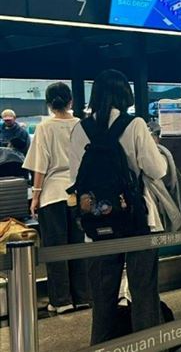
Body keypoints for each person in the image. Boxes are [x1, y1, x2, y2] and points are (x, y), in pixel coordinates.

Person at [68, 69, 167, 344]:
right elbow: (157, 170)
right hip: (136, 220)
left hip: (96, 223)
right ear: (125, 94)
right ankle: (147, 347)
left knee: (102, 298)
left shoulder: (80, 129)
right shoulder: (134, 125)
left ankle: (102, 347)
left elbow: (75, 177)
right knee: (144, 292)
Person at [23, 83, 90, 314]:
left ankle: (61, 301)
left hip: (52, 194)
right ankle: (83, 296)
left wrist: (35, 196)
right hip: (78, 193)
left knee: (56, 248)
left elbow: (40, 165)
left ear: (49, 104)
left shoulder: (45, 127)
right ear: (71, 101)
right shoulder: (81, 125)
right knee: (78, 246)